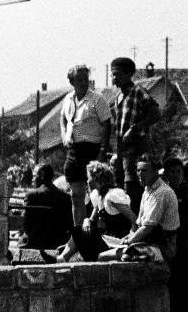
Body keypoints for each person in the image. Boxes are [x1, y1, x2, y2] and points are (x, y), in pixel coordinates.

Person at [59, 64, 112, 227]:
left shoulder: (97, 99)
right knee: (76, 195)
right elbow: (63, 118)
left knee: (96, 194)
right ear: (71, 81)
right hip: (74, 151)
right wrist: (63, 136)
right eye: (79, 79)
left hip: (93, 149)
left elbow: (107, 124)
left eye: (85, 78)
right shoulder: (68, 99)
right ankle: (78, 233)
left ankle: (97, 229)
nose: (83, 82)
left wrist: (102, 151)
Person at [104, 157, 179, 263]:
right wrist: (126, 237)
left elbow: (147, 228)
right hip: (147, 243)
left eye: (144, 170)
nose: (140, 174)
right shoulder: (147, 190)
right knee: (110, 255)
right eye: (138, 170)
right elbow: (138, 223)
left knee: (105, 257)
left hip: (162, 248)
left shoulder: (161, 193)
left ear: (155, 172)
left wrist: (128, 241)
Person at [109, 57, 160, 213]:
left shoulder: (138, 91)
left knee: (133, 186)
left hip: (137, 147)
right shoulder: (118, 97)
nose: (114, 78)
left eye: (117, 74)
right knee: (119, 187)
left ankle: (137, 223)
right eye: (113, 74)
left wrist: (135, 128)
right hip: (122, 149)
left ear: (129, 74)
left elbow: (155, 114)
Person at [60, 160, 135, 262]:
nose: (87, 181)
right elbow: (91, 219)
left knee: (79, 233)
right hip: (107, 239)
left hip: (118, 241)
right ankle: (63, 257)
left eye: (89, 178)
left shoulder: (112, 195)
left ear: (98, 179)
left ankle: (63, 256)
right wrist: (87, 220)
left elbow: (134, 219)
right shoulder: (98, 196)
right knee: (78, 230)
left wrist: (130, 237)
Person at [20, 163, 74, 257]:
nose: (33, 179)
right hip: (57, 243)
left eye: (34, 175)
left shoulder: (31, 195)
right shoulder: (65, 197)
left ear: (41, 175)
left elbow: (24, 224)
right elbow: (69, 225)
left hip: (33, 243)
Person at [162, 157, 188, 312]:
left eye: (177, 171)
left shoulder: (186, 191)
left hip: (185, 245)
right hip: (172, 245)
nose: (175, 175)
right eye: (171, 172)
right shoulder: (165, 192)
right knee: (174, 287)